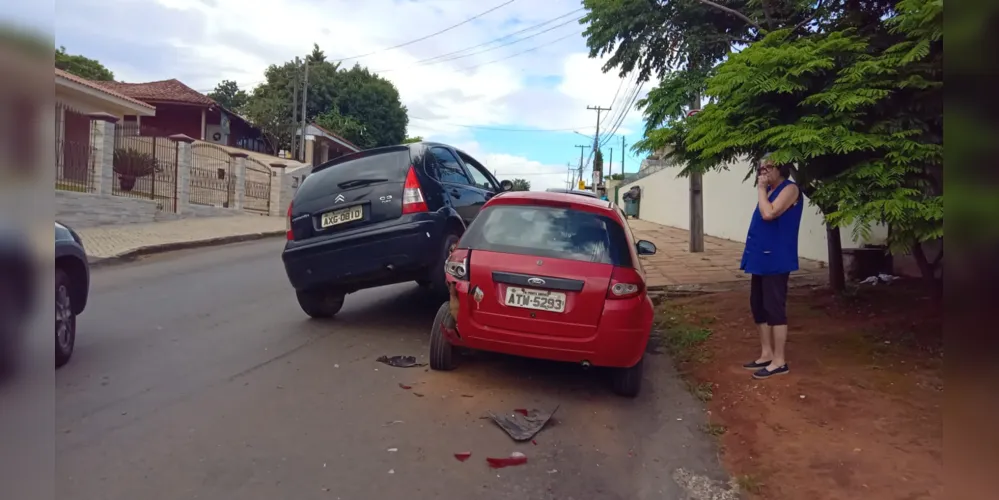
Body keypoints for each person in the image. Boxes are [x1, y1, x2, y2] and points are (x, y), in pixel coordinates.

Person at [740, 154, 803, 379]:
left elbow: (769, 213)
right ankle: (766, 353)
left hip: (776, 259)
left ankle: (779, 361)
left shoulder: (790, 189)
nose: (764, 171)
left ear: (781, 168)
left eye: (768, 167)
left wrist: (760, 189)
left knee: (775, 308)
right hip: (760, 257)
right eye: (761, 168)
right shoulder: (768, 192)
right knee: (758, 305)